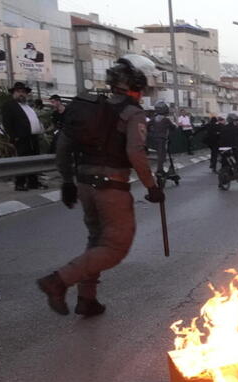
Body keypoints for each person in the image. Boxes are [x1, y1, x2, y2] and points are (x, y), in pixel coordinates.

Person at [36, 55, 162, 317]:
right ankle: (58, 281)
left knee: (97, 240)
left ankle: (87, 299)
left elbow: (63, 146)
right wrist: (151, 186)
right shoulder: (133, 113)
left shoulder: (89, 107)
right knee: (115, 247)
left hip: (84, 184)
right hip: (111, 187)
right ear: (136, 82)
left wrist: (67, 181)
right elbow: (136, 153)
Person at [0, 81, 44, 191]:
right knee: (22, 162)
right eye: (18, 91)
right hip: (21, 138)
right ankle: (20, 183)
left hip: (32, 138)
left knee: (33, 161)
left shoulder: (27, 106)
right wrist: (13, 137)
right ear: (13, 93)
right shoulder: (9, 105)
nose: (21, 94)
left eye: (23, 92)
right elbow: (7, 123)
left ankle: (33, 182)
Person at [148, 101, 176, 178]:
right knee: (161, 155)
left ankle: (160, 170)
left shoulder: (153, 119)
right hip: (162, 139)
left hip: (154, 138)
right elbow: (173, 127)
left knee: (159, 154)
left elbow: (147, 126)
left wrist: (151, 131)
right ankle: (159, 170)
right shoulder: (166, 120)